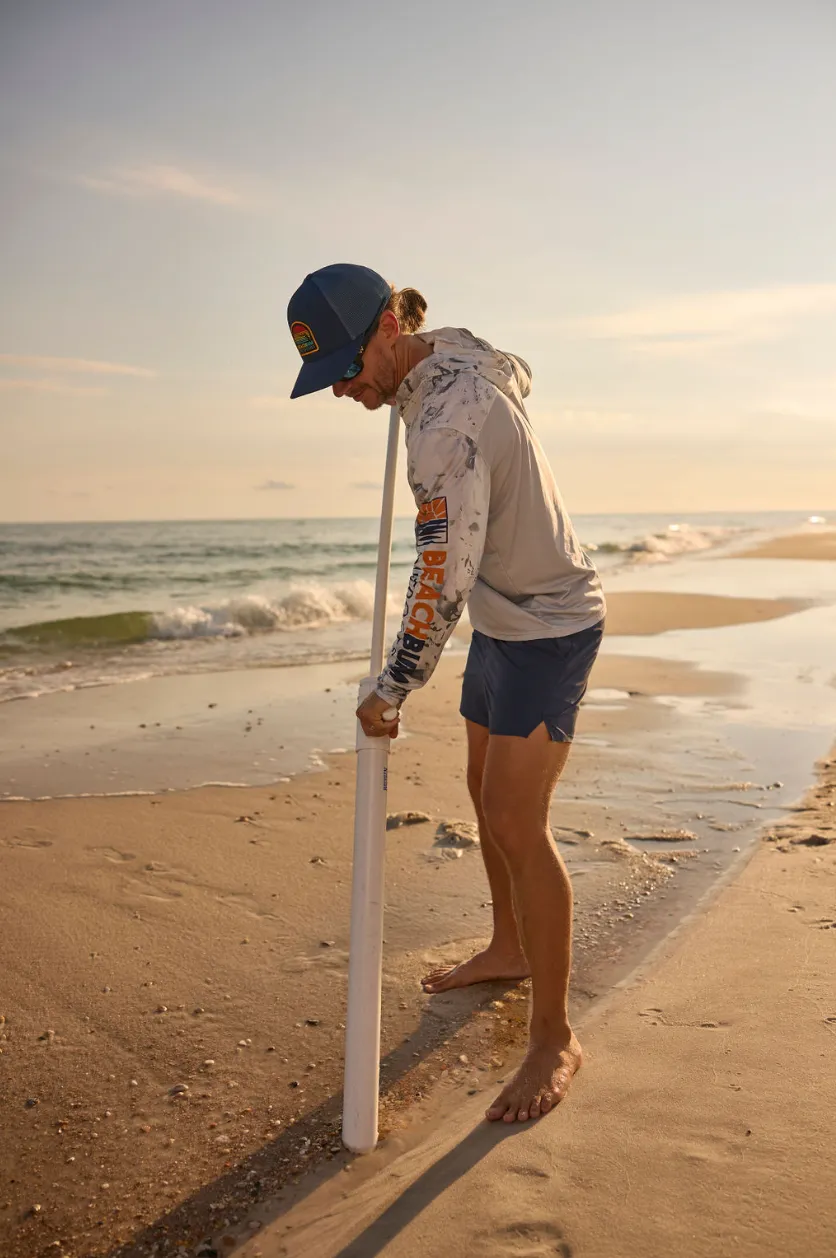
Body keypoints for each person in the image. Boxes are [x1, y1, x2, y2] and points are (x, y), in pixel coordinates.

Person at [287, 263, 606, 1124]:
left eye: (347, 371)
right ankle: (509, 946)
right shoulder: (446, 359)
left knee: (513, 820)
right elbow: (501, 360)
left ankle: (554, 1037)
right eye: (329, 379)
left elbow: (442, 574)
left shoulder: (445, 426)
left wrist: (392, 689)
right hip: (503, 618)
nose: (343, 392)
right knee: (478, 789)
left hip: (549, 622)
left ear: (389, 331)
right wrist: (406, 379)